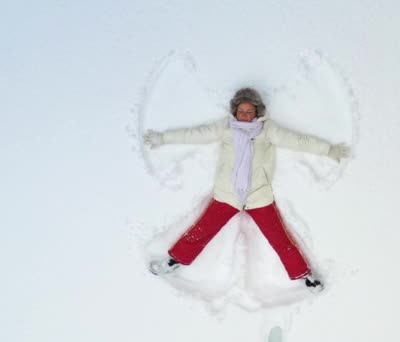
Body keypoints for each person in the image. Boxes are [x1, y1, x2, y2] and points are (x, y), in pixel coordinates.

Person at [143, 87, 350, 292]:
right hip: (228, 195)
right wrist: (163, 138)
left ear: (257, 112)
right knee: (202, 230)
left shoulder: (268, 130)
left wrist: (328, 150)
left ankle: (304, 275)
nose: (244, 115)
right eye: (241, 111)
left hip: (258, 196)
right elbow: (194, 134)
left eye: (249, 111)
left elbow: (299, 141)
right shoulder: (225, 128)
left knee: (279, 239)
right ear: (234, 111)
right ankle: (173, 261)